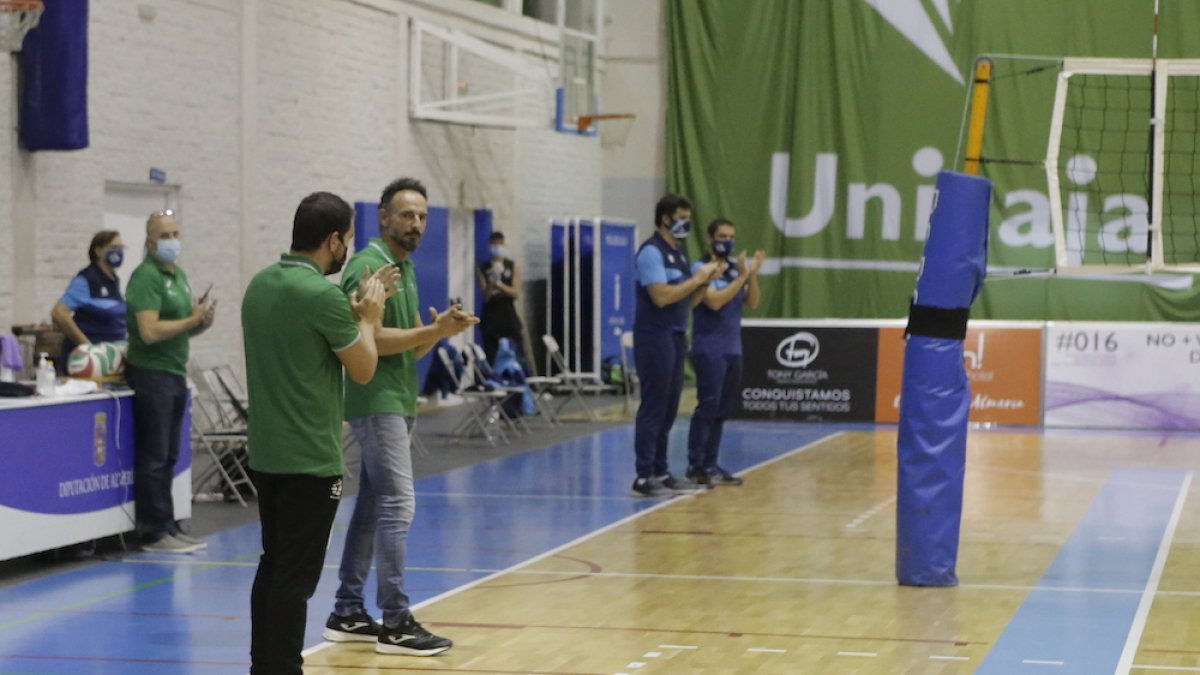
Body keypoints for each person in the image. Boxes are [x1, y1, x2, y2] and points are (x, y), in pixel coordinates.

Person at [324, 177, 477, 657]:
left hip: (398, 398)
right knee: (398, 506)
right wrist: (425, 332)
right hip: (376, 402)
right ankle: (395, 621)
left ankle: (348, 610)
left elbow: (409, 345)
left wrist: (439, 331)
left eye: (423, 216)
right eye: (407, 214)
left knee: (373, 508)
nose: (416, 224)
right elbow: (364, 336)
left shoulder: (402, 268)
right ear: (383, 218)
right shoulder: (370, 265)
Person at [242, 191, 392, 675]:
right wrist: (369, 317)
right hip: (310, 458)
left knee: (273, 564)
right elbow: (365, 367)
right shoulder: (322, 296)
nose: (347, 248)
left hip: (266, 453)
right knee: (296, 577)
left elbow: (302, 335)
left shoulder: (260, 284)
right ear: (332, 240)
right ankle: (284, 668)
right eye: (347, 239)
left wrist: (348, 311)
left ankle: (262, 664)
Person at [124, 210, 215, 553]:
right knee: (155, 454)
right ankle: (152, 530)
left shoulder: (178, 275)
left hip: (176, 371)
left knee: (171, 454)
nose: (172, 241)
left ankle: (168, 523)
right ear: (149, 241)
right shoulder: (144, 278)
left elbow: (184, 325)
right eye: (165, 235)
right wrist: (190, 319)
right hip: (152, 372)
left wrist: (201, 320)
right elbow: (148, 331)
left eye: (176, 233)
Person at [630, 194, 723, 497]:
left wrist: (705, 281)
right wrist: (695, 278)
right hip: (653, 335)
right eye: (681, 217)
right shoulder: (651, 253)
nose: (686, 224)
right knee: (654, 406)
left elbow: (689, 300)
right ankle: (643, 475)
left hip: (675, 333)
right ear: (665, 219)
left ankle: (661, 469)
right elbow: (661, 296)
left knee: (670, 408)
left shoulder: (679, 253)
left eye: (688, 218)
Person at [686, 218, 764, 488]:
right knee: (707, 406)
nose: (727, 240)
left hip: (733, 348)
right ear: (710, 237)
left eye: (731, 235)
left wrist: (750, 274)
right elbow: (715, 302)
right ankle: (695, 465)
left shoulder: (733, 269)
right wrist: (742, 277)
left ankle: (711, 463)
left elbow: (752, 302)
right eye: (722, 235)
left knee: (721, 410)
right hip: (709, 348)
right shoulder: (701, 268)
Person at [50, 230, 128, 372]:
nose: (119, 251)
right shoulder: (87, 279)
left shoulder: (113, 280)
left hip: (110, 358)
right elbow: (58, 313)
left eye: (121, 247)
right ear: (98, 251)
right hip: (87, 363)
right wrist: (88, 347)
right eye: (113, 247)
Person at [475, 230, 526, 366]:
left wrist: (500, 284)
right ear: (489, 245)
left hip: (508, 316)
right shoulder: (482, 267)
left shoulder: (513, 266)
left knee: (517, 356)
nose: (497, 247)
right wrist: (492, 282)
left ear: (504, 245)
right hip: (490, 318)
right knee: (492, 357)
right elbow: (485, 296)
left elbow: (515, 292)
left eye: (499, 244)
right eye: (494, 244)